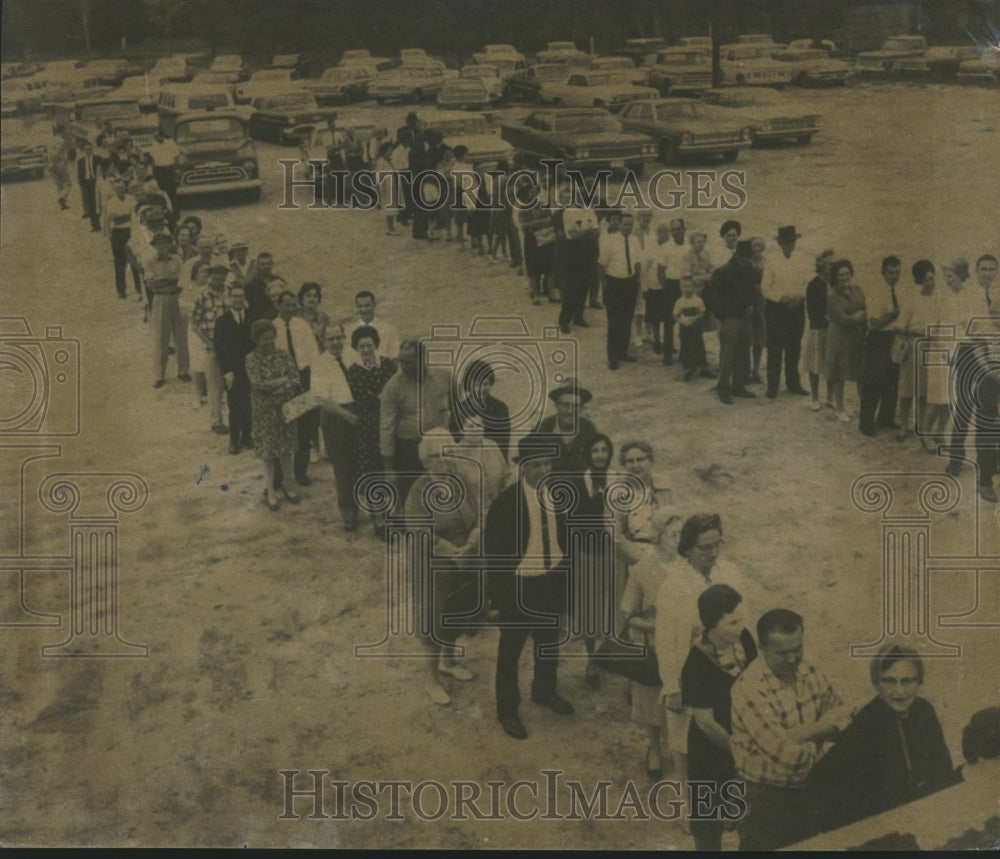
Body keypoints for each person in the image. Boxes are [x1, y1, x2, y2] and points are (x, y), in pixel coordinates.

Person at [730, 609, 851, 851]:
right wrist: (826, 731)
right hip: (764, 799)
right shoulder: (748, 689)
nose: (792, 659)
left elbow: (842, 713)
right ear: (761, 647)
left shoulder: (808, 667)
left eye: (797, 649)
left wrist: (801, 734)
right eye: (782, 653)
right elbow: (787, 758)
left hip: (808, 791)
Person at [806, 644, 958, 835]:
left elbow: (942, 771)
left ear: (920, 682)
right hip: (879, 829)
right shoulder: (867, 722)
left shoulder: (924, 710)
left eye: (908, 681)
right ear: (876, 683)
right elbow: (819, 782)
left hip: (917, 818)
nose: (899, 691)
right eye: (889, 681)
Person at [486, 435, 574, 740]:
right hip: (520, 587)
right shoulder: (505, 504)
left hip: (551, 581)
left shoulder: (560, 496)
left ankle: (544, 691)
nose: (543, 470)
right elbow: (493, 556)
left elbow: (567, 541)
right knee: (511, 650)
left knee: (548, 642)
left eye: (548, 463)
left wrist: (566, 584)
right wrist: (498, 599)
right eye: (536, 465)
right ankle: (507, 709)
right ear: (522, 467)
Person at [405, 428, 483, 706]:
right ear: (425, 460)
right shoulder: (419, 490)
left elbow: (479, 515)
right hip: (433, 564)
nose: (443, 461)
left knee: (456, 612)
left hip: (464, 559)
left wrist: (471, 543)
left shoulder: (461, 479)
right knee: (433, 620)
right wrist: (453, 551)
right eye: (436, 456)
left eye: (446, 454)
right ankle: (431, 679)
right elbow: (419, 530)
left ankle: (449, 662)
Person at [680, 584, 758, 851]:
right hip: (711, 752)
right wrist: (740, 752)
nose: (741, 626)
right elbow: (706, 723)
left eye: (741, 619)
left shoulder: (745, 639)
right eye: (733, 621)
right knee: (707, 822)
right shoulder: (697, 664)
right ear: (712, 624)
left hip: (747, 736)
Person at [379, 339, 452, 508]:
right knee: (411, 493)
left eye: (409, 362)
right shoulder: (392, 387)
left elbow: (457, 407)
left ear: (422, 359)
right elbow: (386, 427)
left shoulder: (444, 376)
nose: (403, 367)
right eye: (400, 362)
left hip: (438, 446)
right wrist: (388, 467)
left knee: (440, 489)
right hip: (408, 450)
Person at [568, 433, 614, 689]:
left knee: (617, 606)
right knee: (590, 608)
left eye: (604, 450)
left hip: (616, 553)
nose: (600, 456)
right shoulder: (578, 483)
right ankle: (591, 660)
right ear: (588, 454)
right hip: (588, 553)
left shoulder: (618, 480)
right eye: (595, 451)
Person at [245, 319, 302, 512]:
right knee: (268, 453)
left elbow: (295, 376)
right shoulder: (251, 359)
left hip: (285, 409)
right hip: (264, 412)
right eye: (264, 339)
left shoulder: (283, 354)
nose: (268, 342)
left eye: (271, 338)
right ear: (256, 340)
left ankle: (289, 485)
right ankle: (270, 491)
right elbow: (257, 383)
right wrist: (283, 381)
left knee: (286, 449)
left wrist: (282, 385)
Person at [346, 326, 397, 533]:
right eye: (361, 347)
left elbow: (394, 391)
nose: (365, 350)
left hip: (390, 423)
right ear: (356, 348)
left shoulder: (387, 365)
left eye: (369, 345)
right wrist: (382, 397)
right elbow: (363, 398)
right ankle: (378, 518)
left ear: (376, 345)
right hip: (367, 427)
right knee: (373, 470)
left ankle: (397, 512)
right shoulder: (353, 371)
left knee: (392, 468)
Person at [942, 257, 991, 475]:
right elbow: (967, 326)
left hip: (989, 351)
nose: (988, 274)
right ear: (976, 271)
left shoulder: (987, 295)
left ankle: (988, 462)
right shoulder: (961, 295)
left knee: (987, 410)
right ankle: (955, 460)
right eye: (984, 269)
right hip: (967, 352)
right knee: (963, 409)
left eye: (992, 270)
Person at [311, 323, 360, 530]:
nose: (336, 342)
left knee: (362, 463)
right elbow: (322, 399)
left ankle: (369, 506)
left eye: (339, 337)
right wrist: (347, 416)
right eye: (331, 339)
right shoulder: (320, 364)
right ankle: (348, 512)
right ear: (323, 340)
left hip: (357, 411)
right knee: (343, 467)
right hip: (336, 416)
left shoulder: (352, 355)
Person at [702, 240, 758, 404]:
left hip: (745, 317)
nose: (746, 260)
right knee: (727, 355)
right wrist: (722, 315)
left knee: (744, 353)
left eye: (748, 258)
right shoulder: (723, 271)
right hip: (730, 319)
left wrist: (752, 305)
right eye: (744, 257)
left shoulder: (749, 270)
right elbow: (711, 296)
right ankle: (723, 388)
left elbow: (754, 290)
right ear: (737, 256)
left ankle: (739, 386)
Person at [274, 289, 320, 486]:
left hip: (303, 378)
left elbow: (313, 353)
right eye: (286, 304)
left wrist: (312, 380)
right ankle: (279, 475)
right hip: (282, 380)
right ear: (279, 305)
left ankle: (300, 471)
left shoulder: (302, 325)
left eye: (293, 305)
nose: (290, 308)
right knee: (282, 428)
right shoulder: (273, 326)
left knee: (304, 428)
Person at [760, 225, 810, 398]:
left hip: (796, 310)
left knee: (794, 348)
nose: (789, 245)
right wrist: (781, 298)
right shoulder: (771, 260)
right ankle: (772, 386)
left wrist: (799, 298)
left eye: (792, 241)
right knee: (775, 349)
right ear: (780, 243)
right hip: (777, 310)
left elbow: (807, 283)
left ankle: (793, 383)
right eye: (786, 242)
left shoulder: (801, 258)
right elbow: (765, 288)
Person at [859, 255, 904, 436]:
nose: (894, 276)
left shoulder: (899, 290)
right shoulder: (876, 292)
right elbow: (874, 323)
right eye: (891, 272)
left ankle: (886, 418)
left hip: (894, 338)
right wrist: (895, 313)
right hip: (878, 339)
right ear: (883, 272)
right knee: (873, 382)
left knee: (892, 381)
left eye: (897, 273)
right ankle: (866, 423)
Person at [894, 259, 939, 441]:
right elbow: (898, 327)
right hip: (912, 349)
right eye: (926, 279)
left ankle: (919, 425)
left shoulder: (937, 300)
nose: (930, 282)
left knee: (923, 391)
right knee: (907, 391)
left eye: (932, 278)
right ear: (919, 281)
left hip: (931, 351)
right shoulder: (912, 300)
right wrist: (919, 333)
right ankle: (903, 425)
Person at [190, 262, 233, 435]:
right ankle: (217, 421)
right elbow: (194, 323)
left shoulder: (231, 292)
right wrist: (209, 343)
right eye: (215, 274)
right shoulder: (203, 294)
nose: (219, 277)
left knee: (233, 384)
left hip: (232, 344)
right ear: (210, 276)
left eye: (222, 274)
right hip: (214, 345)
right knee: (215, 385)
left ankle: (236, 419)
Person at [145, 232, 190, 389]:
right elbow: (151, 285)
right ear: (154, 246)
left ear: (170, 244)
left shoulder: (177, 259)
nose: (163, 246)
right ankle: (159, 375)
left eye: (165, 243)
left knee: (181, 336)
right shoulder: (150, 263)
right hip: (161, 299)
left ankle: (183, 371)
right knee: (161, 338)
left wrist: (161, 279)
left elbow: (182, 279)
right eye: (159, 244)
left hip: (177, 297)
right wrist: (170, 279)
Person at [213, 284, 254, 455]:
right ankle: (233, 439)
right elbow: (220, 349)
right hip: (233, 370)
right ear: (229, 299)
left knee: (250, 404)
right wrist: (226, 372)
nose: (238, 299)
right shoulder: (222, 321)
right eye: (235, 296)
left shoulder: (252, 317)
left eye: (241, 296)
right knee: (235, 405)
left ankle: (247, 435)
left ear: (244, 299)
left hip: (250, 368)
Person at [599, 210, 643, 370]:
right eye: (625, 224)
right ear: (619, 224)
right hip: (614, 283)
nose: (628, 227)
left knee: (627, 318)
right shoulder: (610, 241)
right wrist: (605, 286)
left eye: (631, 225)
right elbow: (601, 265)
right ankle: (613, 356)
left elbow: (637, 262)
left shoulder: (635, 240)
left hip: (630, 283)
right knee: (614, 321)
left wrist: (638, 279)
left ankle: (623, 351)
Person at [825, 259, 867, 423]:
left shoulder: (857, 289)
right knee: (839, 373)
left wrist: (857, 317)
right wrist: (855, 317)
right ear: (835, 277)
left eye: (847, 273)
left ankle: (865, 406)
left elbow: (865, 307)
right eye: (840, 274)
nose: (844, 277)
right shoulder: (832, 296)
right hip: (839, 337)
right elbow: (841, 318)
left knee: (861, 372)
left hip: (857, 336)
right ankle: (839, 408)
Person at [555, 183, 600, 333]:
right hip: (572, 253)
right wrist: (586, 231)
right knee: (572, 287)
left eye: (584, 196)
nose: (581, 199)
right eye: (579, 196)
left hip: (588, 251)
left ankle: (578, 316)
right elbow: (571, 234)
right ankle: (564, 320)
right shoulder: (568, 212)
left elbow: (597, 231)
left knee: (584, 285)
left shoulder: (590, 211)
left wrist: (583, 232)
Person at [536, 377, 600, 475]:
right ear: (556, 405)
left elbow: (596, 464)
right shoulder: (544, 429)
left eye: (575, 406)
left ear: (581, 407)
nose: (570, 411)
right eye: (565, 405)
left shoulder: (589, 428)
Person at [451, 358, 512, 460]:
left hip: (493, 460)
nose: (482, 389)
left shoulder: (500, 408)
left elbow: (503, 443)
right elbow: (455, 441)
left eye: (485, 384)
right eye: (477, 384)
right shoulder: (460, 409)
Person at [803, 249, 836, 411]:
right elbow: (812, 312)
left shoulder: (836, 283)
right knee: (815, 364)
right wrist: (827, 319)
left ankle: (830, 397)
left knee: (832, 363)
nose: (833, 266)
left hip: (835, 330)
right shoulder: (814, 284)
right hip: (819, 329)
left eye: (834, 263)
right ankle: (815, 397)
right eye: (830, 263)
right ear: (821, 265)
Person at [102, 176, 138, 299]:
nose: (120, 190)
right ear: (114, 189)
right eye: (117, 188)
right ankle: (121, 290)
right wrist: (127, 216)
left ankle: (139, 288)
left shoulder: (132, 199)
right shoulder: (111, 202)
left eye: (122, 188)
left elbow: (135, 216)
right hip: (118, 233)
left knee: (135, 260)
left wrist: (123, 216)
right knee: (120, 262)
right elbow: (115, 220)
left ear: (125, 187)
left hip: (131, 232)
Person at [674, 275, 713, 381]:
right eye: (685, 286)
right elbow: (675, 315)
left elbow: (702, 312)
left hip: (696, 327)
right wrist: (682, 321)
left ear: (694, 288)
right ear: (681, 288)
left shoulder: (698, 300)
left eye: (690, 286)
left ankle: (702, 367)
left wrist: (695, 318)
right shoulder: (679, 301)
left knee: (698, 345)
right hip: (684, 327)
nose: (687, 289)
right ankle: (688, 368)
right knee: (686, 346)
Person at [353, 291, 399, 366]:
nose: (364, 310)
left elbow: (394, 357)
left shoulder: (388, 329)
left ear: (374, 305)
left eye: (367, 306)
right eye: (360, 306)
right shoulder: (349, 330)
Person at [76, 142, 106, 232]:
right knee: (91, 205)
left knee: (101, 202)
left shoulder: (98, 159)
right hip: (87, 183)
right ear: (84, 150)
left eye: (90, 149)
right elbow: (80, 174)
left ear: (93, 149)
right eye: (87, 149)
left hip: (96, 181)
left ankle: (105, 223)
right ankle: (95, 226)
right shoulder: (80, 161)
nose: (89, 151)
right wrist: (82, 183)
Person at [297, 282, 331, 350]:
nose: (312, 299)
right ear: (302, 298)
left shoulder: (323, 318)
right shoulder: (296, 318)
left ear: (318, 299)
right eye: (308, 295)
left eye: (315, 296)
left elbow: (329, 339)